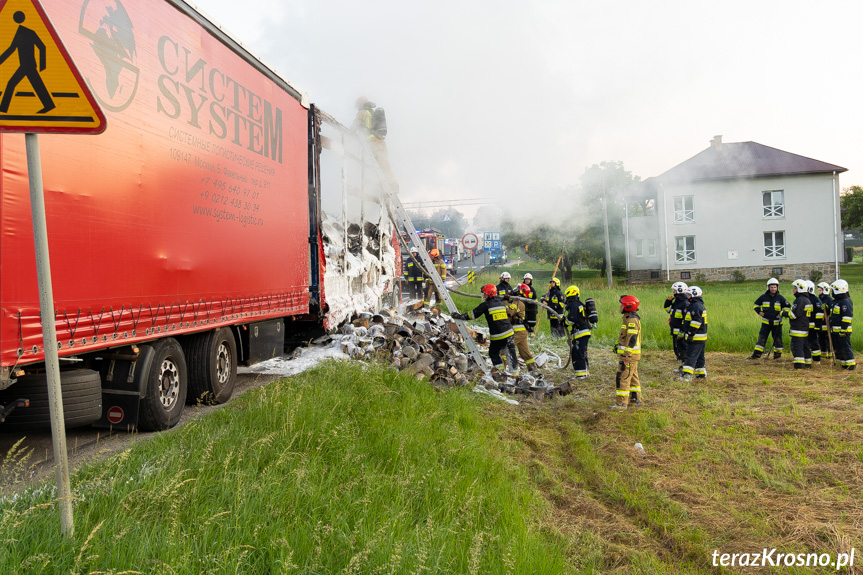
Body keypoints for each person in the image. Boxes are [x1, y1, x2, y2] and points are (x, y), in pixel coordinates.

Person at [451, 284, 518, 377]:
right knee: (510, 353)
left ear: (490, 294)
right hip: (509, 333)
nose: (483, 295)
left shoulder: (486, 305)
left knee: (493, 353)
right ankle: (515, 375)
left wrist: (459, 316)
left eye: (485, 294)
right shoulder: (501, 303)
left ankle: (500, 373)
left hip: (498, 336)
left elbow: (472, 315)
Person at [352, 96, 397, 190]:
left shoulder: (362, 112)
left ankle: (390, 186)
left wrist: (349, 133)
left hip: (372, 141)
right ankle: (391, 184)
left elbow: (354, 125)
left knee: (377, 164)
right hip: (381, 141)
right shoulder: (372, 112)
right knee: (384, 163)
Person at [611, 295, 642, 409]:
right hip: (632, 355)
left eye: (621, 305)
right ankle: (635, 400)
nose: (620, 307)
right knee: (632, 376)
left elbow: (632, 339)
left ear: (627, 306)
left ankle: (621, 403)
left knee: (623, 377)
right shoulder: (628, 318)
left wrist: (626, 355)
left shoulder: (632, 320)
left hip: (629, 356)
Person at [748, 278, 789, 360]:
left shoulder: (781, 298)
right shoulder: (763, 297)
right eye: (771, 287)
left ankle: (777, 356)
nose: (773, 289)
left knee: (778, 340)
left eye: (774, 287)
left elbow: (788, 307)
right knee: (761, 339)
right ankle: (756, 355)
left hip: (777, 324)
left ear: (777, 287)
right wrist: (759, 312)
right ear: (768, 287)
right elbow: (755, 305)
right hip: (766, 323)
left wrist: (782, 314)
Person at [506, 283, 537, 372]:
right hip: (521, 331)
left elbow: (509, 313)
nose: (514, 289)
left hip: (519, 331)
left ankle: (502, 370)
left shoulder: (518, 303)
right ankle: (533, 370)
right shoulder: (516, 302)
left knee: (506, 348)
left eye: (517, 288)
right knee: (525, 353)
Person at [563, 285, 592, 379]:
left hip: (581, 332)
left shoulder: (573, 304)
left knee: (578, 353)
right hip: (583, 331)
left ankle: (581, 375)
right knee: (582, 352)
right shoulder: (579, 304)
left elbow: (572, 319)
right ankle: (585, 372)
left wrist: (564, 323)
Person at [680, 286, 707, 381]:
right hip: (700, 337)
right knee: (699, 356)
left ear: (694, 295)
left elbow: (696, 322)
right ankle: (701, 374)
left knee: (690, 355)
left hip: (696, 337)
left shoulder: (696, 306)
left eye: (688, 294)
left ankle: (686, 376)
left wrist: (690, 333)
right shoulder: (696, 305)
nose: (687, 296)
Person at [829, 279, 855, 370]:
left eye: (833, 290)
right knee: (839, 348)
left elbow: (847, 317)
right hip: (836, 331)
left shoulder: (845, 302)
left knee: (845, 348)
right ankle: (842, 364)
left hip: (843, 331)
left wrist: (843, 329)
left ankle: (850, 365)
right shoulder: (836, 301)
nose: (832, 292)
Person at [787, 279, 813, 369]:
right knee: (805, 346)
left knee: (797, 347)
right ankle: (808, 363)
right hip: (804, 327)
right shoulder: (807, 300)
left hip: (798, 328)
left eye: (795, 288)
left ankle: (799, 366)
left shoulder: (800, 300)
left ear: (800, 289)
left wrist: (784, 313)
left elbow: (794, 315)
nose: (793, 290)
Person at [664, 281, 690, 371]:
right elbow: (669, 310)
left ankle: (686, 367)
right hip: (675, 331)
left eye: (674, 291)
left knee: (683, 349)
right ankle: (681, 366)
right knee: (677, 349)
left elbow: (686, 319)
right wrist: (668, 302)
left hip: (681, 332)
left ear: (679, 290)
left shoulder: (685, 303)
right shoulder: (676, 302)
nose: (673, 292)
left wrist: (682, 331)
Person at [806, 280, 822, 362]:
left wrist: (817, 326)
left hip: (812, 326)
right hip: (805, 325)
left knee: (813, 342)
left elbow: (819, 315)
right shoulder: (805, 298)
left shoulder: (815, 300)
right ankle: (808, 357)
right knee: (806, 343)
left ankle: (817, 359)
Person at [817, 282, 834, 361]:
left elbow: (831, 311)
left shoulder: (829, 300)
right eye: (818, 290)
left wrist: (827, 309)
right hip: (820, 323)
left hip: (827, 323)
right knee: (821, 339)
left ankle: (830, 354)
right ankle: (823, 355)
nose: (818, 291)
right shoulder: (819, 299)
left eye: (820, 290)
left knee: (828, 339)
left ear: (825, 290)